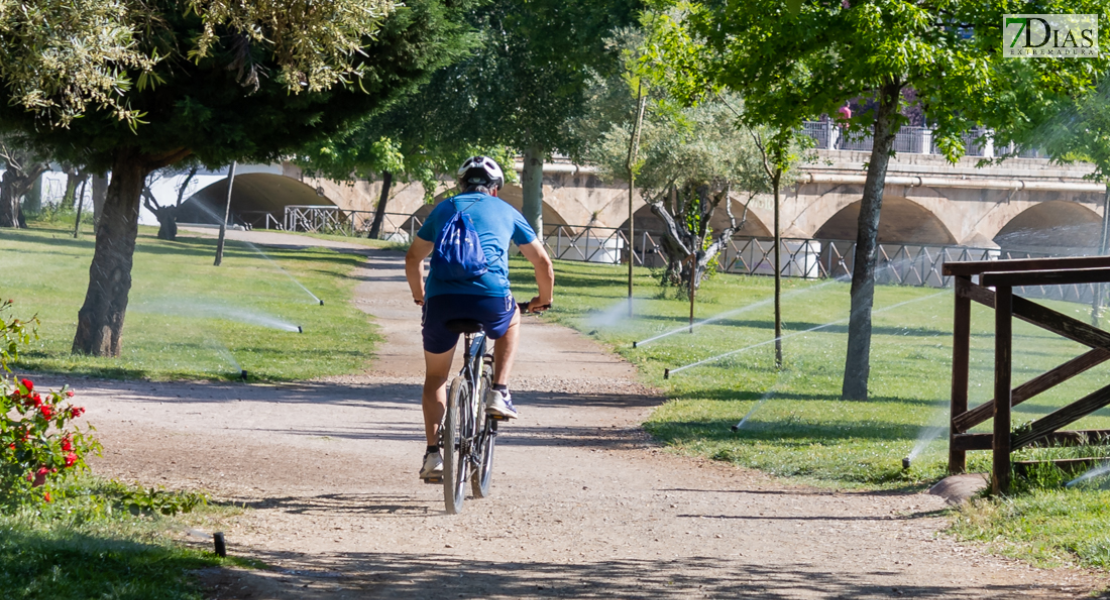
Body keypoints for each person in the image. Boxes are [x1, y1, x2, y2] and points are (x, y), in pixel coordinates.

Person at [404, 156, 555, 480]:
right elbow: (542, 263)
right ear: (495, 190)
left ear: (461, 185)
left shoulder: (445, 208)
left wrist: (420, 295)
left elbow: (414, 257)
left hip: (441, 301)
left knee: (436, 378)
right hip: (490, 299)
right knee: (512, 314)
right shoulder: (506, 211)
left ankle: (433, 455)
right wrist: (544, 300)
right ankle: (498, 390)